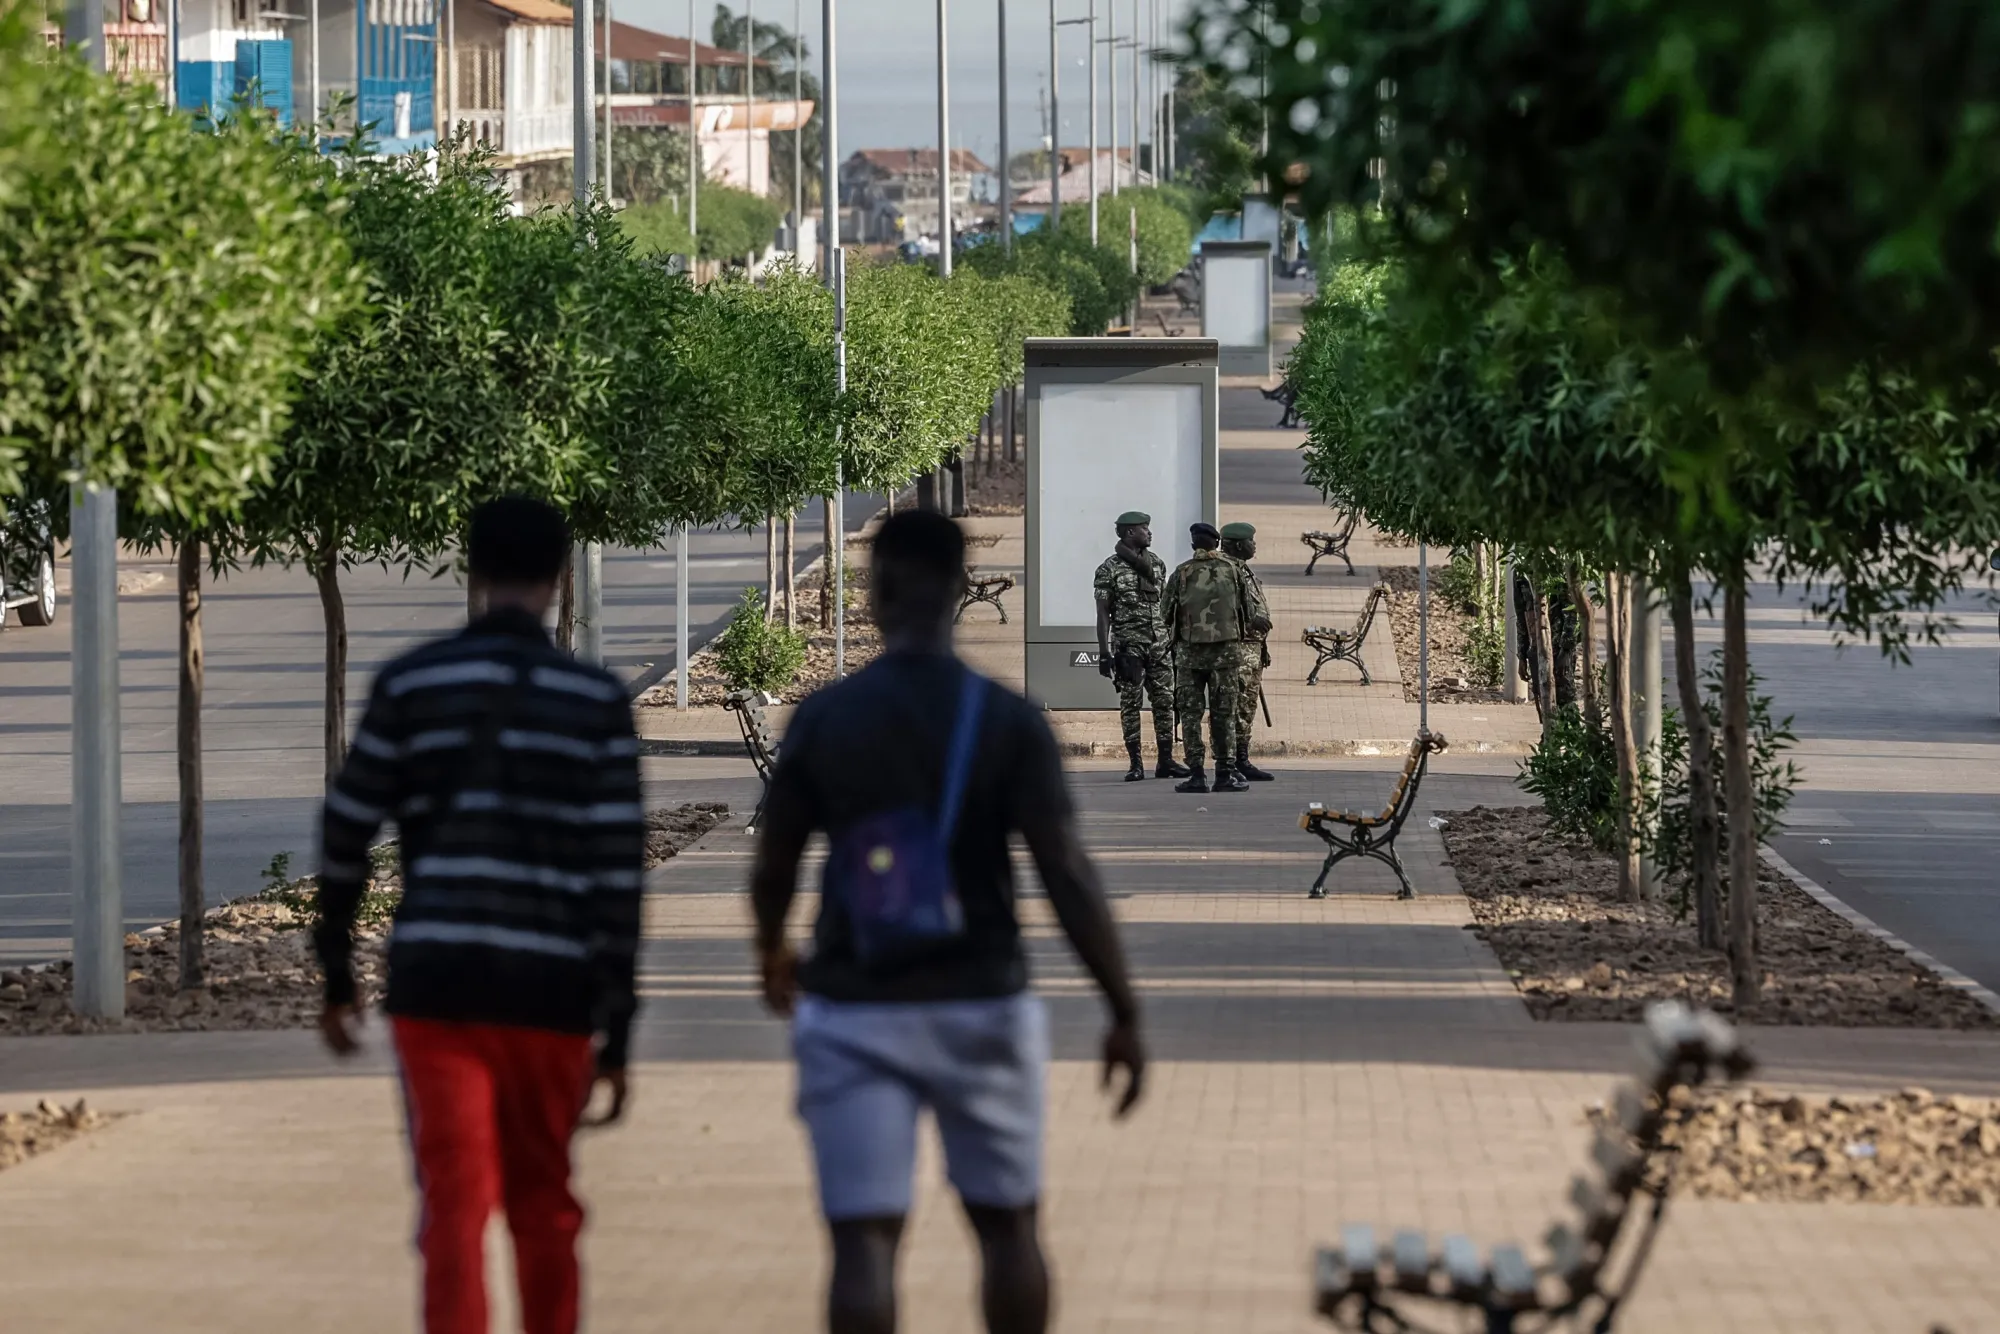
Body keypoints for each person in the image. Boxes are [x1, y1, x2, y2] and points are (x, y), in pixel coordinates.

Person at [749, 509, 1146, 1334]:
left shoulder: (824, 718)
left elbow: (774, 865)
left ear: (877, 592)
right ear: (962, 590)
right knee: (1008, 1230)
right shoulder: (1008, 721)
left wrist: (772, 951)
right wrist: (1122, 1007)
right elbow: (1066, 873)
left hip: (854, 1000)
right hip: (982, 999)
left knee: (862, 1242)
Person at [316, 495, 642, 1334]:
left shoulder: (413, 683)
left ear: (473, 569)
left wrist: (337, 974)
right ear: (560, 575)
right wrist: (618, 1029)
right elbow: (615, 882)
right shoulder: (594, 702)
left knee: (454, 1207)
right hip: (552, 993)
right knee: (545, 1207)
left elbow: (346, 834)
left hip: (439, 986)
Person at [1160, 521, 1270, 795]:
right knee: (1224, 715)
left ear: (1192, 544)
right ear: (1216, 544)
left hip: (1189, 658)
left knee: (1190, 716)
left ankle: (1196, 775)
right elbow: (1248, 612)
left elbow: (1164, 614)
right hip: (1225, 656)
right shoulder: (1233, 572)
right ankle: (1224, 774)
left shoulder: (1181, 573)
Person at [1092, 510, 1188, 782]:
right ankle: (1135, 763)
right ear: (1129, 532)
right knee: (1131, 704)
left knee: (1165, 702)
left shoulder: (1157, 564)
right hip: (1128, 647)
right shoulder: (1108, 569)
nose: (1149, 532)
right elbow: (1102, 614)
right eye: (1144, 528)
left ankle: (1166, 761)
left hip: (1159, 645)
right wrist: (1103, 654)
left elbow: (1166, 606)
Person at [1219, 522, 1276, 782]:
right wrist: (1250, 623)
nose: (1255, 546)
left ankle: (1242, 759)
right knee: (1231, 707)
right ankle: (1228, 762)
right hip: (1236, 650)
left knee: (1245, 708)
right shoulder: (1224, 571)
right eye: (1251, 541)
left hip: (1252, 651)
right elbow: (1218, 611)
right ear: (1239, 545)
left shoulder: (1244, 570)